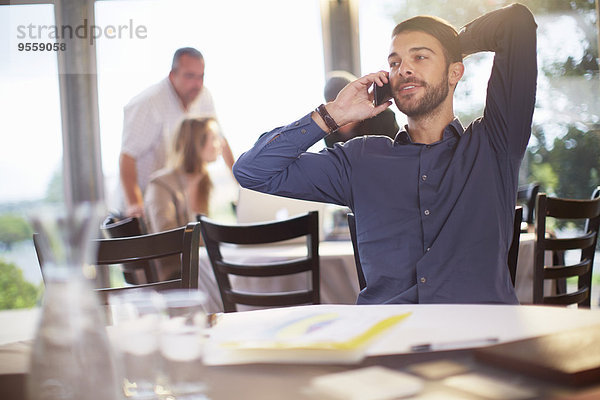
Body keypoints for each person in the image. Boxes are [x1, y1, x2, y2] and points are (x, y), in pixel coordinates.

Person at [233, 4, 537, 305]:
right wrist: (334, 114)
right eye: (394, 63)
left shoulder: (494, 143)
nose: (403, 69)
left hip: (480, 337)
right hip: (387, 336)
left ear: (454, 72)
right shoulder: (360, 160)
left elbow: (516, 23)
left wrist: (452, 44)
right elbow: (252, 171)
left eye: (420, 57)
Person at [119, 47, 235, 218]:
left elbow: (221, 140)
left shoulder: (203, 96)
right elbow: (127, 156)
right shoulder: (148, 103)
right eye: (189, 76)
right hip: (146, 201)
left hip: (179, 196)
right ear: (172, 75)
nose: (197, 84)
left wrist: (242, 183)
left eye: (201, 76)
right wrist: (135, 206)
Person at [144, 117, 221, 279]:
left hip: (198, 270)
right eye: (214, 138)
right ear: (196, 144)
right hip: (174, 276)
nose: (220, 143)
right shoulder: (160, 184)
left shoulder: (204, 182)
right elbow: (167, 238)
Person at [322, 70, 399, 147]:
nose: (342, 112)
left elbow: (399, 150)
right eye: (336, 110)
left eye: (347, 106)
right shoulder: (329, 130)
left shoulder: (383, 117)